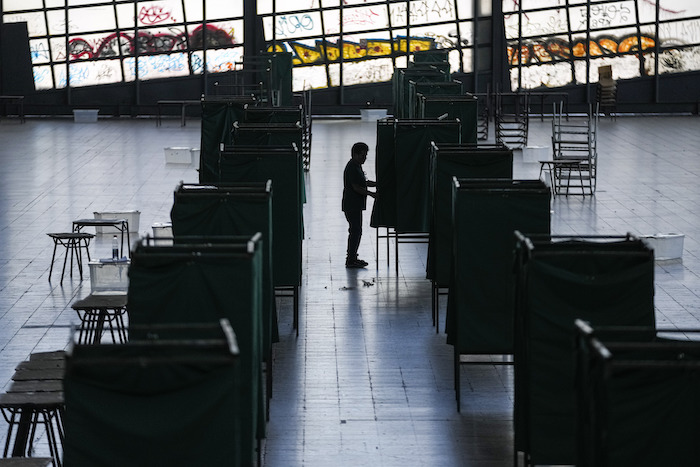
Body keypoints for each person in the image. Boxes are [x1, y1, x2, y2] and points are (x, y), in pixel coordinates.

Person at [342, 142, 376, 268]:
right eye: (362, 155)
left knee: (356, 230)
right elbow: (356, 187)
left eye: (365, 155)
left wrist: (377, 184)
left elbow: (363, 182)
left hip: (355, 204)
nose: (364, 158)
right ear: (355, 154)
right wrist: (371, 194)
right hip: (352, 204)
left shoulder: (357, 166)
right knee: (355, 230)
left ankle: (352, 256)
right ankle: (351, 259)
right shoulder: (352, 167)